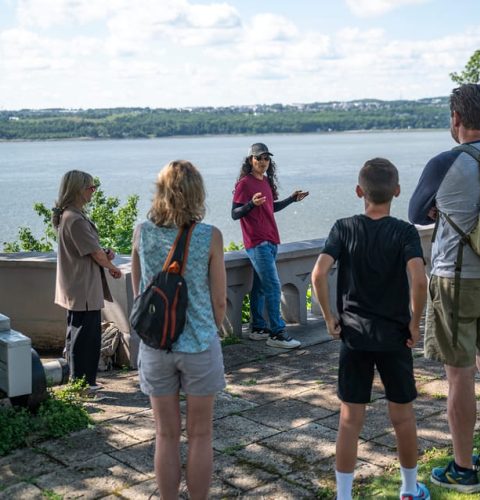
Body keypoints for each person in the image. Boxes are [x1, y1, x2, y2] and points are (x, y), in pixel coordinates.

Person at [408, 84, 480, 493]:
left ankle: (461, 467)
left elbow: (415, 212)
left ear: (455, 118)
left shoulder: (445, 161)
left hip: (456, 282)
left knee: (459, 376)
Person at [312, 158, 430, 500]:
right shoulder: (404, 231)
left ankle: (344, 495)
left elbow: (319, 274)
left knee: (350, 421)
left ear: (359, 191)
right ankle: (409, 489)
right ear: (396, 191)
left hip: (354, 336)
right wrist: (415, 322)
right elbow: (419, 281)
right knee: (403, 418)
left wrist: (329, 317)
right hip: (395, 336)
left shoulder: (343, 228)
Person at [131, 160, 226, 500]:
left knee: (166, 435)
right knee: (200, 435)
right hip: (199, 344)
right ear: (197, 193)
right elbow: (219, 300)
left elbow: (139, 292)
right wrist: (210, 331)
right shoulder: (210, 236)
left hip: (156, 346)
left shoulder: (142, 232)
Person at [231, 142, 308, 349]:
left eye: (266, 158)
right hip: (257, 243)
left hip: (271, 240)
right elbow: (235, 214)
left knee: (260, 288)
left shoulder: (265, 182)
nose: (263, 162)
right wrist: (250, 204)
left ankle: (257, 328)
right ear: (250, 160)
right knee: (273, 286)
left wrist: (292, 200)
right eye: (259, 158)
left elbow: (270, 207)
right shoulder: (244, 184)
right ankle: (277, 333)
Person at [53, 170, 122, 390]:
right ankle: (85, 383)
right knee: (87, 337)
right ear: (78, 190)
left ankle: (79, 380)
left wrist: (103, 253)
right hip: (83, 287)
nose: (93, 191)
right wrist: (112, 267)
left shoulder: (69, 216)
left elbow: (90, 249)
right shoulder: (75, 219)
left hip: (76, 285)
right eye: (91, 187)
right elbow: (95, 254)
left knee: (77, 334)